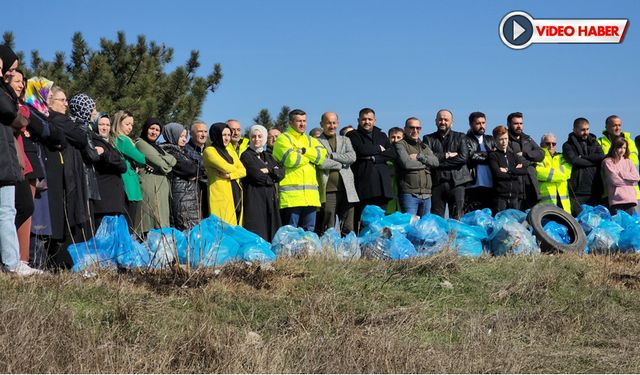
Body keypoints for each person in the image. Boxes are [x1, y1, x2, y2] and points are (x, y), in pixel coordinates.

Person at [0, 44, 41, 275]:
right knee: (8, 211)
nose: (12, 74)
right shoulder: (3, 91)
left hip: (8, 158)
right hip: (6, 158)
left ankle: (12, 261)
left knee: (9, 210)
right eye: (9, 69)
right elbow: (9, 110)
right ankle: (12, 263)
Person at [48, 86, 93, 268]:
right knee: (69, 216)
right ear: (50, 101)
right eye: (62, 100)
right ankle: (61, 262)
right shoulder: (59, 119)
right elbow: (81, 138)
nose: (66, 104)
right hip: (68, 173)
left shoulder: (58, 119)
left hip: (70, 171)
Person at [272, 109, 327, 231]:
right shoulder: (283, 139)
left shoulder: (310, 140)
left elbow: (321, 157)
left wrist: (304, 151)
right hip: (291, 199)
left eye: (304, 121)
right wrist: (310, 158)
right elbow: (291, 160)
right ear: (291, 122)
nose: (302, 124)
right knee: (290, 233)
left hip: (311, 198)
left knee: (309, 234)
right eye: (299, 121)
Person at [347, 108, 396, 230]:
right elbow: (361, 150)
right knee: (363, 221)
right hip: (364, 185)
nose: (367, 122)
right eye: (364, 119)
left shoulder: (382, 135)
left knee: (382, 222)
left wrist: (374, 158)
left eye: (370, 119)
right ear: (358, 120)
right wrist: (379, 149)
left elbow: (392, 153)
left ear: (375, 120)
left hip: (382, 185)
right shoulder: (352, 135)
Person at [315, 112, 359, 235]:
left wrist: (333, 156)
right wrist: (340, 163)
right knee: (328, 226)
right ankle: (329, 252)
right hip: (328, 190)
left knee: (348, 226)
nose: (332, 126)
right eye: (328, 123)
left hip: (347, 190)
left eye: (334, 123)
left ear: (338, 124)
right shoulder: (316, 142)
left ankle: (349, 252)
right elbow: (321, 162)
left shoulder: (345, 140)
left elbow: (352, 157)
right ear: (321, 124)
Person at [423, 109, 472, 220]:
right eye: (440, 119)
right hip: (437, 183)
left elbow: (463, 158)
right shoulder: (428, 138)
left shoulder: (460, 137)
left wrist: (438, 162)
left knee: (457, 217)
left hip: (457, 182)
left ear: (451, 122)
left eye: (446, 119)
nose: (443, 122)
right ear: (436, 121)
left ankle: (454, 238)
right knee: (437, 219)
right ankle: (439, 238)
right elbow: (427, 159)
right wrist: (447, 155)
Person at [241, 125, 285, 241]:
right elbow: (256, 175)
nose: (256, 139)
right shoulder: (246, 155)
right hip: (255, 197)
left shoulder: (268, 155)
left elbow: (281, 173)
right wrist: (272, 174)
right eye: (254, 136)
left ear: (264, 138)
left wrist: (269, 171)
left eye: (260, 136)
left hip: (270, 197)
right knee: (258, 227)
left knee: (272, 227)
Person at [135, 118, 176, 233]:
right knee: (149, 225)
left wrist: (164, 162)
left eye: (157, 130)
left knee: (162, 226)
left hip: (160, 190)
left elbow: (173, 160)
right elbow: (163, 164)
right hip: (149, 189)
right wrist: (165, 163)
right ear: (146, 129)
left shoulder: (156, 147)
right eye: (152, 128)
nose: (154, 132)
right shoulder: (141, 144)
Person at [204, 122, 246, 225]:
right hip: (220, 196)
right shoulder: (209, 151)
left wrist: (231, 175)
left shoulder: (230, 151)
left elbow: (244, 171)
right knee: (222, 228)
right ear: (216, 135)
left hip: (235, 193)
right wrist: (236, 171)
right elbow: (225, 167)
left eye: (228, 135)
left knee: (236, 225)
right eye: (223, 135)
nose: (227, 138)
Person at [394, 117, 439, 217]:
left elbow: (435, 162)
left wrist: (419, 157)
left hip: (427, 195)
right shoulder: (400, 145)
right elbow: (407, 164)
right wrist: (426, 164)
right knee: (410, 227)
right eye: (412, 127)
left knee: (424, 229)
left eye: (418, 128)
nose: (415, 130)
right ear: (405, 129)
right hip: (409, 194)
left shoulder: (424, 146)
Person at [561, 117, 605, 215]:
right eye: (582, 130)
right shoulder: (567, 145)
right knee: (580, 221)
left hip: (595, 189)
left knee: (597, 222)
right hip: (578, 191)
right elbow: (575, 161)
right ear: (574, 130)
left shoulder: (594, 142)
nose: (585, 132)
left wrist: (583, 157)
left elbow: (601, 157)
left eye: (587, 129)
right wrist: (593, 161)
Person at [160, 122, 200, 230]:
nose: (184, 139)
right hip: (180, 197)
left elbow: (197, 168)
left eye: (185, 136)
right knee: (184, 229)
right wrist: (193, 171)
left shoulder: (181, 151)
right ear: (172, 135)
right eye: (181, 136)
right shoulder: (169, 151)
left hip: (188, 197)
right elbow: (191, 169)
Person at [91, 113, 127, 230]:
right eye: (101, 124)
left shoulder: (107, 144)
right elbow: (120, 165)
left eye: (107, 124)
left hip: (113, 200)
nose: (105, 127)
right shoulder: (94, 141)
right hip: (104, 200)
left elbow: (122, 165)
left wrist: (106, 153)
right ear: (95, 125)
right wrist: (109, 156)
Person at [112, 110, 146, 231]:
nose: (130, 128)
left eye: (131, 125)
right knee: (129, 225)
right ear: (118, 123)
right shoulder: (123, 140)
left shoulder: (114, 139)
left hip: (122, 184)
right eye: (127, 124)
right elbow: (141, 159)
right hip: (129, 185)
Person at [506, 112, 544, 210]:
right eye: (516, 123)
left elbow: (541, 154)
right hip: (515, 184)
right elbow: (511, 159)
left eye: (521, 123)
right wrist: (530, 161)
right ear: (509, 124)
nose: (519, 126)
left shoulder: (528, 139)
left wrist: (526, 154)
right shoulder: (505, 139)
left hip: (530, 182)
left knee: (532, 214)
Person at [598, 115, 639, 203]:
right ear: (606, 127)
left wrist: (617, 172)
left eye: (619, 125)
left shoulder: (629, 141)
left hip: (631, 194)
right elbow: (600, 161)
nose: (617, 128)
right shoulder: (599, 142)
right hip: (610, 193)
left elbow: (633, 162)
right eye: (614, 125)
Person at [488, 126, 529, 215]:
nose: (504, 142)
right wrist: (515, 171)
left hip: (514, 197)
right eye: (501, 139)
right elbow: (498, 174)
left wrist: (509, 170)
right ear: (495, 140)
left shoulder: (513, 155)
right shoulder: (493, 156)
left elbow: (524, 170)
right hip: (500, 198)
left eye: (506, 139)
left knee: (515, 223)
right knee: (499, 224)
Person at [464, 111, 495, 213]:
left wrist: (483, 155)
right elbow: (470, 156)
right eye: (478, 123)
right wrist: (490, 155)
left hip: (491, 186)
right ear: (471, 124)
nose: (482, 126)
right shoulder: (464, 140)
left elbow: (498, 156)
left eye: (483, 123)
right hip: (472, 186)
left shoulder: (491, 139)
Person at [602, 136, 640, 215]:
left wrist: (622, 174)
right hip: (616, 200)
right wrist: (630, 182)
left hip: (630, 199)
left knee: (629, 225)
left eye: (624, 148)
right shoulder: (608, 161)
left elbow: (637, 177)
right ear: (614, 147)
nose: (622, 150)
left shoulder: (628, 161)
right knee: (618, 226)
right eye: (620, 147)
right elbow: (614, 181)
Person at [536, 133, 571, 213]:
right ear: (541, 144)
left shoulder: (562, 157)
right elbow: (538, 172)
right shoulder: (538, 158)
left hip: (564, 206)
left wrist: (548, 174)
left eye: (553, 144)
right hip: (546, 207)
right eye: (548, 143)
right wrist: (559, 174)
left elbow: (566, 173)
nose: (551, 146)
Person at [184, 120, 209, 219]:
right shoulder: (185, 150)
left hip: (209, 196)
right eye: (200, 131)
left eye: (205, 132)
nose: (203, 135)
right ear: (191, 134)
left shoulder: (210, 151)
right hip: (193, 197)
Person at [386, 127, 404, 214]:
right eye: (393, 137)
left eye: (398, 137)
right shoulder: (384, 155)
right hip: (389, 197)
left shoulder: (406, 155)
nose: (395, 140)